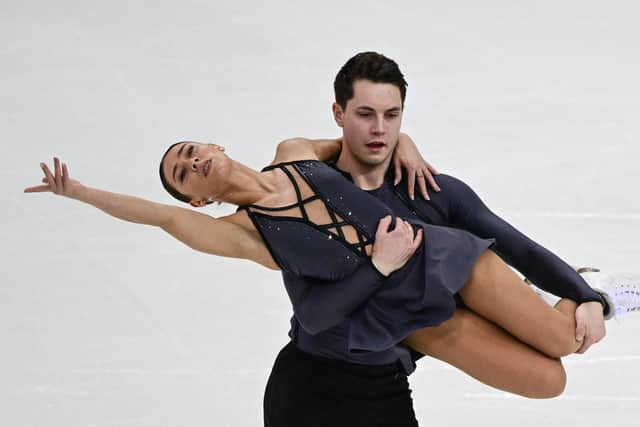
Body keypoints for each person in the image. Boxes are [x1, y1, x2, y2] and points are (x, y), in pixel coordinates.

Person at [25, 53, 639, 427]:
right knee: (548, 381)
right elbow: (158, 218)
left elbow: (358, 135)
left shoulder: (292, 154)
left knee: (565, 336)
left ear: (211, 144)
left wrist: (407, 142)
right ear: (195, 198)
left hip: (445, 260)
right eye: (184, 175)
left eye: (191, 152)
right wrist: (80, 193)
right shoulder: (245, 235)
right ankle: (568, 292)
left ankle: (592, 290)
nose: (194, 163)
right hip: (406, 316)